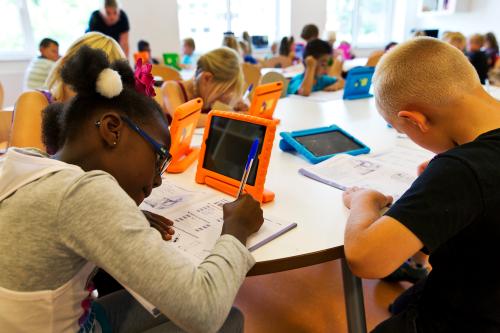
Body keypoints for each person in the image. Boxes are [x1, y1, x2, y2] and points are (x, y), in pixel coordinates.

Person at [0, 46, 264, 333]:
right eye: (159, 157)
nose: (158, 180)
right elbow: (205, 310)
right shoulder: (83, 195)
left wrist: (119, 216)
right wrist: (236, 228)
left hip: (76, 317)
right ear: (112, 129)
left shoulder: (26, 162)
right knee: (227, 320)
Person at [343, 37, 500, 332]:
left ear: (415, 120)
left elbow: (366, 260)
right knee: (404, 302)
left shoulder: (461, 170)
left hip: (469, 318)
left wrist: (364, 200)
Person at [10, 32, 125, 152]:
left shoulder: (104, 122)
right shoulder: (34, 101)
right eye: (87, 77)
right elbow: (26, 167)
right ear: (64, 66)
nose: (92, 94)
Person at [162, 47, 246, 128]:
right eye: (221, 92)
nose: (222, 97)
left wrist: (239, 106)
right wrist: (232, 117)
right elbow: (184, 119)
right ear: (207, 78)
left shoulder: (206, 92)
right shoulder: (171, 88)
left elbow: (237, 105)